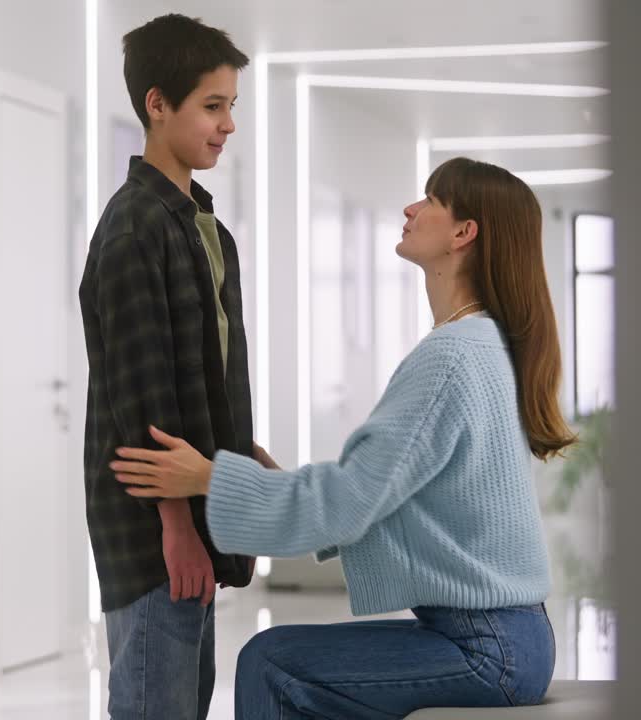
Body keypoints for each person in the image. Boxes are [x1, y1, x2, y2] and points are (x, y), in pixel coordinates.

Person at [110, 157, 577, 718]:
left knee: (270, 661)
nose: (411, 208)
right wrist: (270, 484)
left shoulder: (451, 357)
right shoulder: (481, 343)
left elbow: (349, 500)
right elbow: (383, 495)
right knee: (278, 658)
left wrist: (208, 478)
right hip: (510, 642)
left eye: (431, 200)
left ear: (463, 233)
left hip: (488, 650)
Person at [77, 13, 259, 720]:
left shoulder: (203, 229)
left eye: (230, 106)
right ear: (157, 104)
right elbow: (143, 397)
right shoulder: (133, 230)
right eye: (212, 106)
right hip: (154, 529)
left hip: (196, 520)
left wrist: (247, 462)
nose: (227, 125)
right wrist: (177, 528)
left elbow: (209, 380)